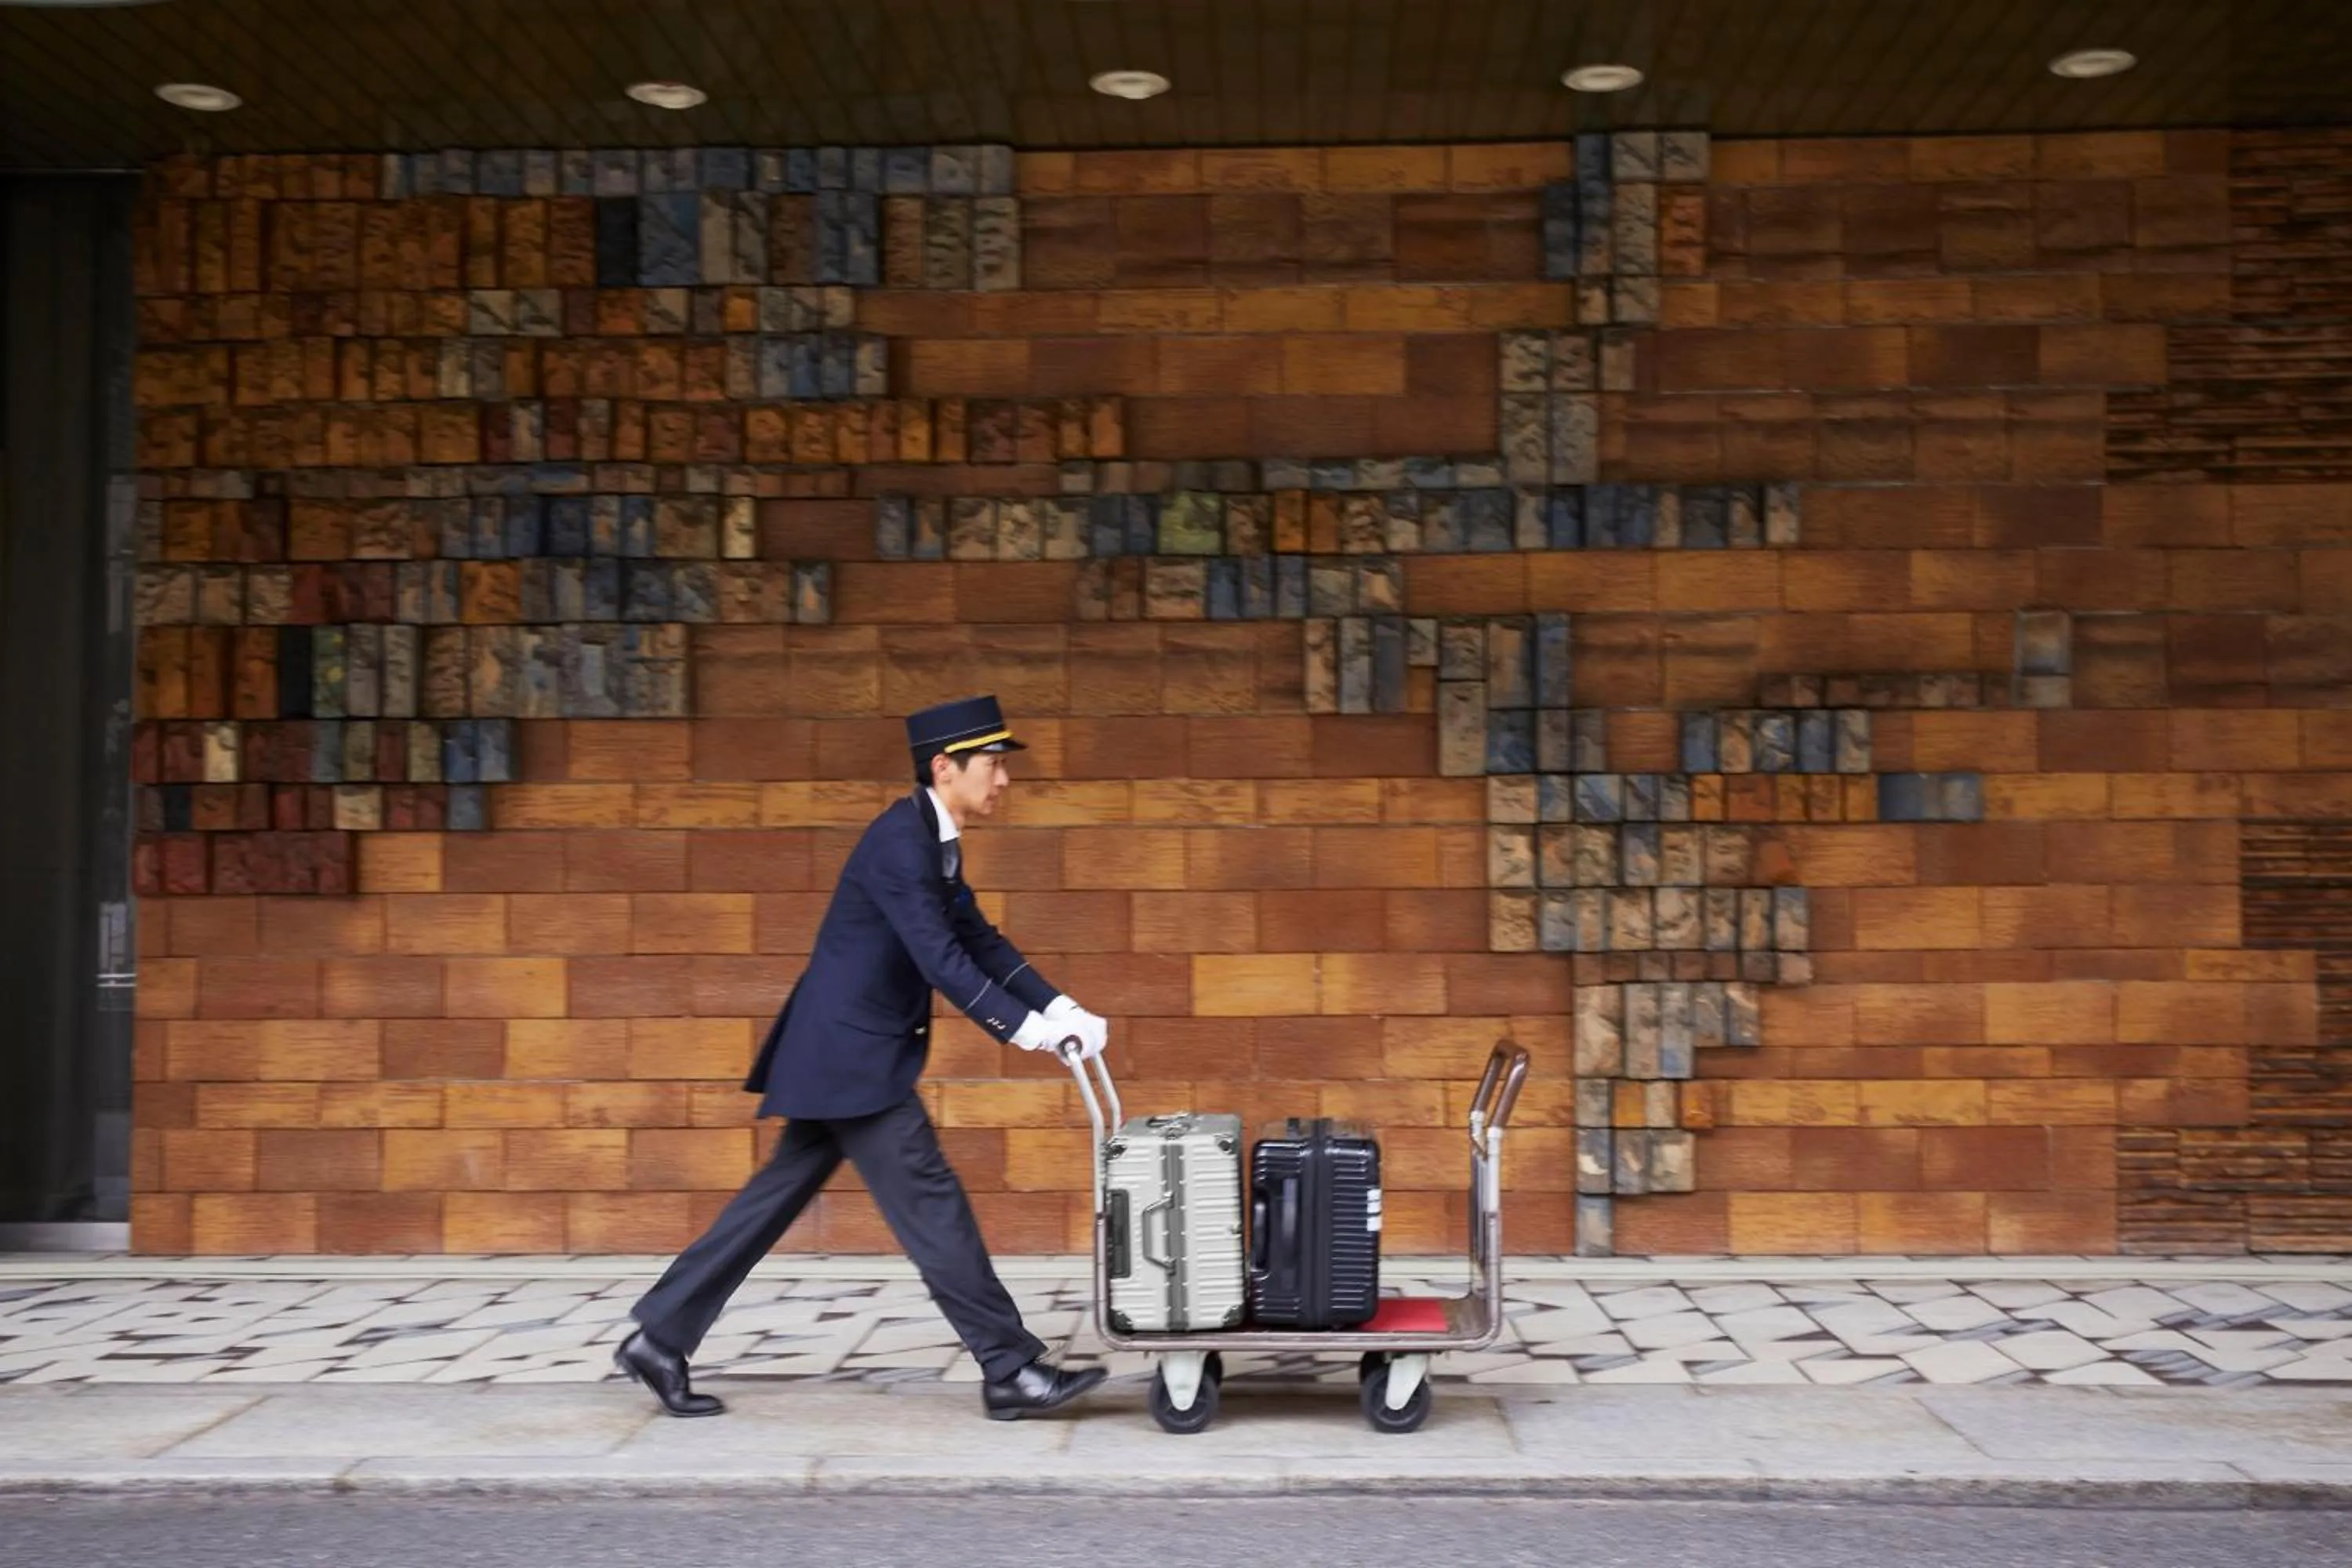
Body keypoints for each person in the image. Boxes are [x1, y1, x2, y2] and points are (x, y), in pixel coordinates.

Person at [615, 695, 1112, 1421]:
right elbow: (940, 958)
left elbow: (979, 940)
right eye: (993, 766)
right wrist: (1024, 1031)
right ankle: (1009, 1368)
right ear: (946, 768)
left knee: (770, 1201)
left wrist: (1059, 1006)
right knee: (933, 1205)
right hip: (855, 1061)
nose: (1003, 781)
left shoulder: (929, 837)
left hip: (841, 1056)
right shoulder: (898, 845)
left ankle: (659, 1338)